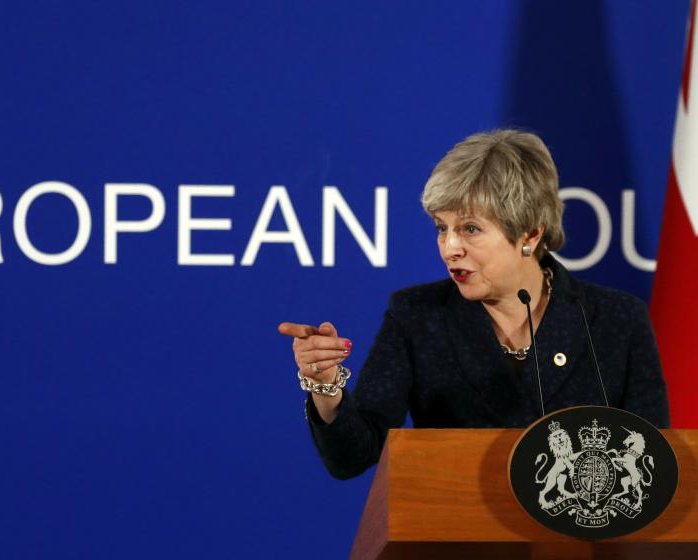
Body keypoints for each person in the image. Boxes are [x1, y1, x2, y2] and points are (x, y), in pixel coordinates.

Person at [278, 130, 670, 480]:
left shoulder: (616, 319)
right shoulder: (417, 316)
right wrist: (326, 387)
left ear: (529, 235)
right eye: (441, 228)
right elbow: (354, 456)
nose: (450, 248)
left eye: (470, 229)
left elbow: (651, 462)